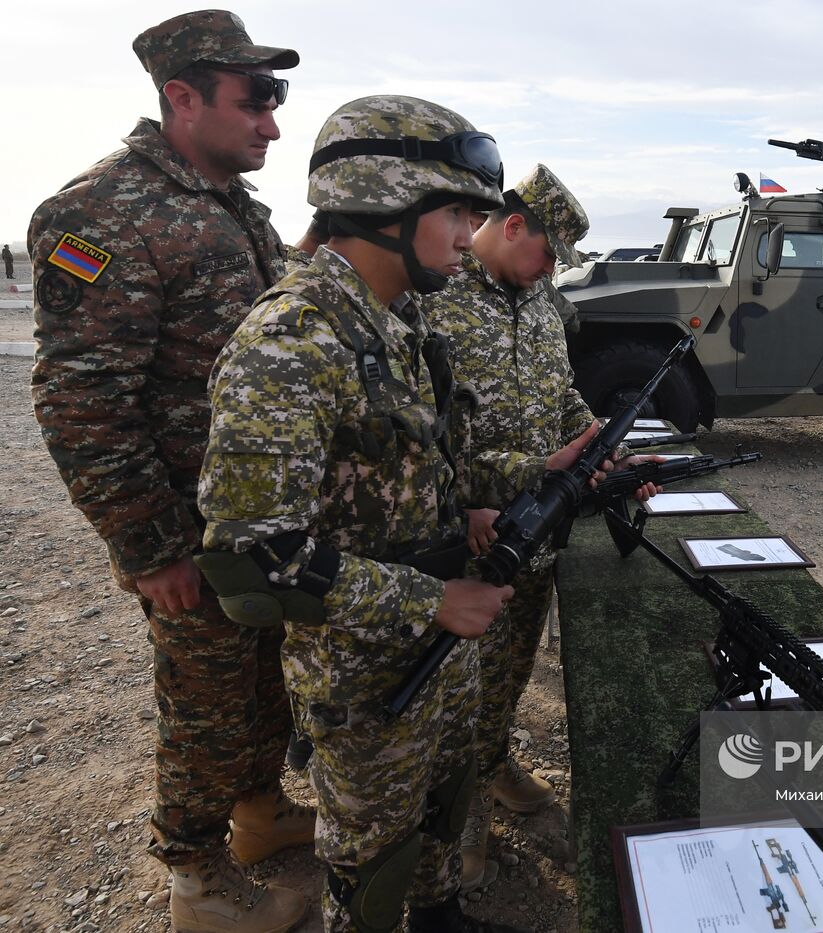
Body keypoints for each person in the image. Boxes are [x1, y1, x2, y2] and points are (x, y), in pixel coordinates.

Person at [198, 94, 603, 933]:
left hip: (438, 655)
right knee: (373, 858)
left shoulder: (399, 322)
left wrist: (538, 472)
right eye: (455, 212)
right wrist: (433, 600)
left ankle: (444, 913)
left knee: (444, 809)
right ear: (385, 199)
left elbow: (430, 466)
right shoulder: (292, 341)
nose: (467, 233)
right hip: (367, 674)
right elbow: (251, 562)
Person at [29, 11, 308, 932]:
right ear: (180, 97)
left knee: (265, 680)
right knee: (205, 703)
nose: (272, 121)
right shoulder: (99, 213)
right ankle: (196, 877)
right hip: (187, 534)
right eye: (255, 98)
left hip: (257, 523)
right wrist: (150, 548)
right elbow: (82, 398)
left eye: (278, 98)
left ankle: (258, 817)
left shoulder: (239, 209)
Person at [423, 164, 655, 887]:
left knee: (507, 675)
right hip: (468, 542)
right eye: (550, 255)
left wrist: (596, 439)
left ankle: (491, 765)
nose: (553, 271)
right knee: (451, 698)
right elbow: (424, 448)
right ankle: (460, 830)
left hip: (535, 539)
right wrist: (539, 464)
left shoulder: (540, 303)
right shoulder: (435, 301)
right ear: (514, 225)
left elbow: (561, 395)